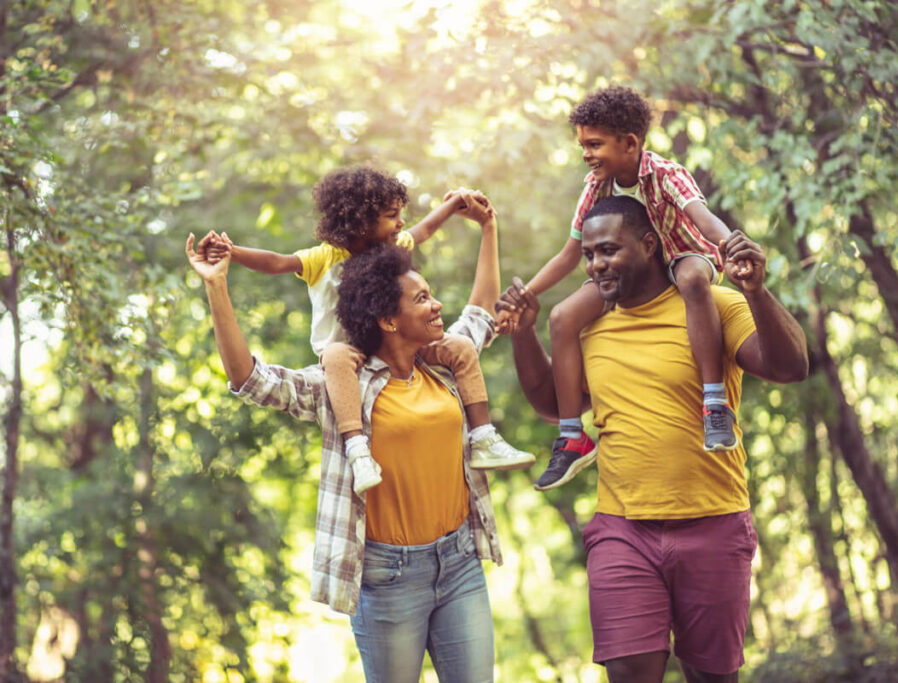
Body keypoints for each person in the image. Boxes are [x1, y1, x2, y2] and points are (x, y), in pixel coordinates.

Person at [497, 196, 808, 683]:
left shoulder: (712, 305)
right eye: (590, 255)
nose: (596, 265)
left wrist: (757, 293)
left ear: (648, 245)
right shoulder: (588, 325)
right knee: (627, 671)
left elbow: (790, 367)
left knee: (712, 676)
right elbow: (556, 406)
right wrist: (522, 333)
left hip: (714, 521)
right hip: (624, 529)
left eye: (608, 251)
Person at [187, 221, 507, 682]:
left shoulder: (447, 365)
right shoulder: (341, 387)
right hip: (388, 576)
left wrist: (489, 230)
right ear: (388, 320)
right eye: (422, 299)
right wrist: (217, 285)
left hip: (459, 564)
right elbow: (250, 380)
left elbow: (481, 313)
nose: (437, 305)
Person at [205, 166, 533, 494]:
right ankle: (357, 449)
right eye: (392, 215)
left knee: (460, 346)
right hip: (344, 359)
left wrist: (462, 207)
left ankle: (484, 437)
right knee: (337, 356)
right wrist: (230, 256)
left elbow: (427, 231)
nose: (401, 223)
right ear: (361, 221)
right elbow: (277, 263)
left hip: (392, 349)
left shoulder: (396, 255)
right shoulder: (326, 257)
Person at [508, 85, 746, 491]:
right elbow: (569, 255)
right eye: (582, 144)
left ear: (630, 143)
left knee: (690, 279)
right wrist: (523, 296)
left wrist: (732, 247)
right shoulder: (596, 185)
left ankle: (713, 403)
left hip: (686, 255)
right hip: (628, 272)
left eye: (594, 144)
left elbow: (701, 218)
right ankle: (571, 436)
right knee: (564, 317)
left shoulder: (665, 174)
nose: (586, 153)